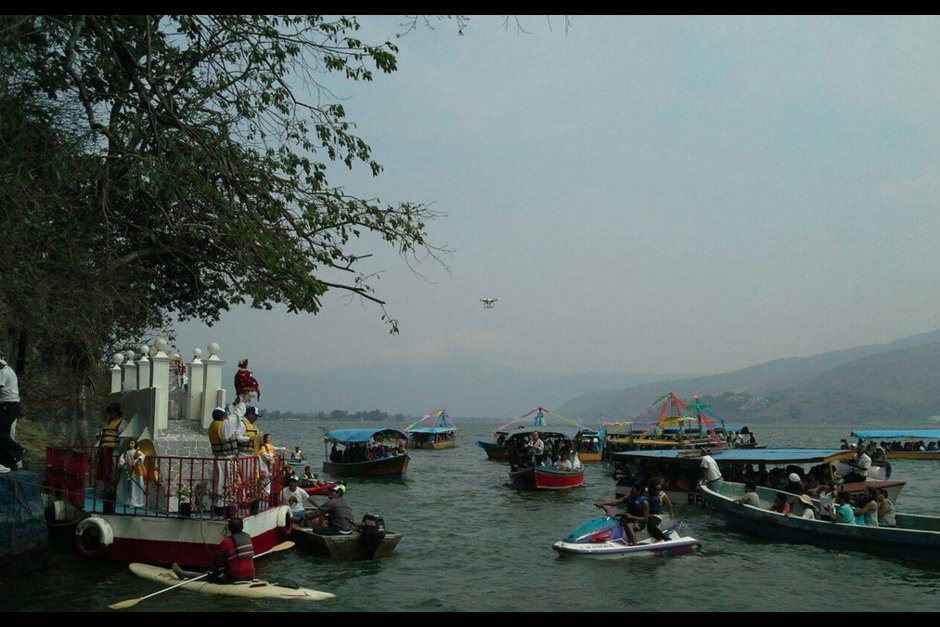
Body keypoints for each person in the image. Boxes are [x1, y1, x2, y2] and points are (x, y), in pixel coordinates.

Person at [173, 517, 255, 584]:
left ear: (229, 528)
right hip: (250, 575)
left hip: (234, 577)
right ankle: (185, 573)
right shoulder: (248, 537)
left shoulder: (226, 542)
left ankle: (183, 574)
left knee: (210, 574)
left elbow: (217, 563)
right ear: (242, 527)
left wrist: (214, 570)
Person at [207, 407, 239, 515]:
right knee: (225, 481)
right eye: (225, 415)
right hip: (225, 458)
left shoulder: (212, 425)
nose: (227, 416)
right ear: (222, 416)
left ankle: (218, 503)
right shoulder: (222, 425)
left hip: (218, 456)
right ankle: (223, 505)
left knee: (218, 481)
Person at [95, 402, 126, 500]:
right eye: (110, 411)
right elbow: (99, 434)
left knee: (112, 470)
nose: (112, 413)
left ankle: (111, 491)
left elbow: (124, 437)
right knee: (102, 470)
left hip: (114, 450)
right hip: (103, 449)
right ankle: (101, 491)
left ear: (117, 412)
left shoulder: (122, 422)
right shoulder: (106, 422)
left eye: (114, 411)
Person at [0, 353, 25, 473]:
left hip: (8, 406)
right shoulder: (9, 370)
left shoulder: (3, 372)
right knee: (3, 434)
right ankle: (9, 462)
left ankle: (18, 451)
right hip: (9, 405)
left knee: (1, 433)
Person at [117, 439, 148, 509]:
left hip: (136, 472)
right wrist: (122, 462)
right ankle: (128, 501)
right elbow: (122, 459)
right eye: (130, 443)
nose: (131, 444)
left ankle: (136, 502)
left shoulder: (137, 452)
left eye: (132, 443)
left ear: (135, 444)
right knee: (128, 487)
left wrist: (137, 460)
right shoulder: (126, 452)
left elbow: (142, 456)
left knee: (136, 487)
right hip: (127, 471)